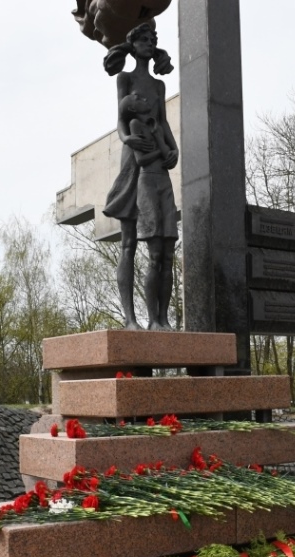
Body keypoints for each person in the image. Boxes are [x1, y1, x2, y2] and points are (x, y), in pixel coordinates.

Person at [102, 24, 178, 331]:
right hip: (134, 157)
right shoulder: (125, 78)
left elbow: (163, 121)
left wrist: (174, 148)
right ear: (133, 45)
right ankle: (130, 319)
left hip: (157, 157)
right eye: (144, 39)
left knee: (159, 245)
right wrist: (127, 139)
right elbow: (120, 120)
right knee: (128, 242)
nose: (149, 43)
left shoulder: (158, 86)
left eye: (152, 39)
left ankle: (158, 320)